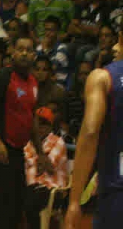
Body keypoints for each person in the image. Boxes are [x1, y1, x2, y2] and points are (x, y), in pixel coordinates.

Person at [0, 34, 54, 229]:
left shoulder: (33, 82)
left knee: (16, 210)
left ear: (34, 54)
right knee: (1, 211)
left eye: (29, 50)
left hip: (17, 153)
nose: (24, 53)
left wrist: (40, 152)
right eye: (20, 49)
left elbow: (31, 119)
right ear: (13, 52)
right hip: (0, 152)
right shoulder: (3, 77)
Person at [65, 31, 123, 228]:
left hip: (117, 190)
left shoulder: (103, 78)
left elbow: (90, 133)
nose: (114, 48)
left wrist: (74, 201)